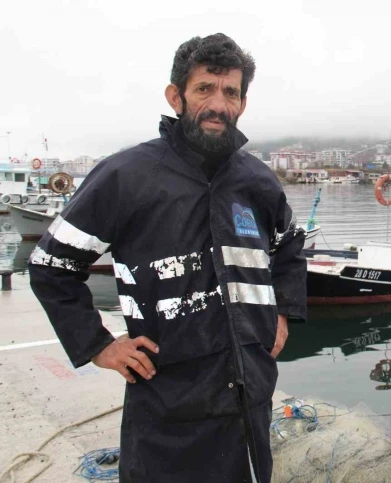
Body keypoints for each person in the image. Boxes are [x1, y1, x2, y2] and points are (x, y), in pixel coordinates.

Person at [28, 33, 307, 483]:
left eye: (230, 92)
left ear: (243, 103)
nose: (218, 104)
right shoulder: (126, 176)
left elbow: (290, 244)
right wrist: (99, 345)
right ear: (176, 96)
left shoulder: (257, 180)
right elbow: (51, 267)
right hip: (167, 412)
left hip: (250, 403)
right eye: (204, 89)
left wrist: (284, 312)